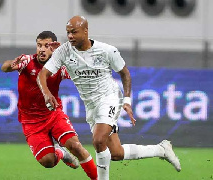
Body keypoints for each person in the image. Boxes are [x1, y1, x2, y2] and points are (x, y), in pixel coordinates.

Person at [37, 16, 181, 180]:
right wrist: (47, 93)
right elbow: (43, 74)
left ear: (85, 31)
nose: (70, 36)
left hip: (110, 97)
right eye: (68, 32)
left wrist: (126, 101)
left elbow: (124, 73)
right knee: (116, 153)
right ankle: (161, 149)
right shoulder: (64, 51)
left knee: (98, 140)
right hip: (91, 105)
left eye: (74, 32)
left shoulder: (106, 50)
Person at [1, 31, 98, 180]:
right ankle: (60, 153)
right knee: (48, 162)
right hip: (31, 123)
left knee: (76, 146)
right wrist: (11, 65)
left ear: (53, 47)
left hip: (53, 115)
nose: (42, 49)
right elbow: (5, 67)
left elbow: (80, 71)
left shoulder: (60, 66)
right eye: (39, 45)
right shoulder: (27, 61)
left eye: (46, 46)